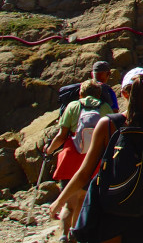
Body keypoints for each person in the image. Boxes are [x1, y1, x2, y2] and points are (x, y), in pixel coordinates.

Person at [50, 68, 143, 243]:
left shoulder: (107, 124)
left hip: (109, 211)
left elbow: (84, 173)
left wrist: (59, 201)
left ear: (123, 93)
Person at [44, 79, 112, 243]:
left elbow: (62, 135)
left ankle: (63, 236)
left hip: (70, 159)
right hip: (92, 162)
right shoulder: (105, 108)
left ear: (80, 93)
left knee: (69, 204)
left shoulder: (73, 106)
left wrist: (49, 150)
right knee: (83, 200)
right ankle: (75, 235)